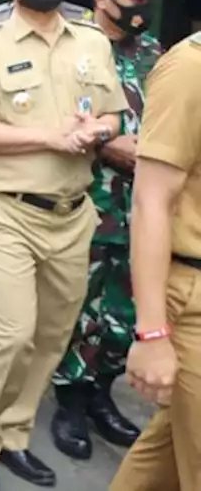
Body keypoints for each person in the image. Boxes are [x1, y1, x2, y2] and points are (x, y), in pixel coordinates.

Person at [0, 0, 128, 491]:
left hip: (72, 213)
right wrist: (52, 137)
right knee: (10, 333)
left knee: (52, 334)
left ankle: (14, 434)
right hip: (7, 210)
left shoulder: (92, 41)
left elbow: (114, 116)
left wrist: (92, 131)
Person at [50, 0, 166, 459]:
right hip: (87, 198)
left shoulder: (154, 54)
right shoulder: (68, 46)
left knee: (126, 306)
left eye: (148, 0)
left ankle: (101, 395)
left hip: (141, 204)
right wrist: (104, 146)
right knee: (79, 305)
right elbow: (49, 118)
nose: (141, 9)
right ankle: (69, 399)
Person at [109, 27, 201, 491]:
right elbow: (151, 202)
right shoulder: (191, 67)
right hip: (194, 302)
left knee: (163, 460)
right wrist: (152, 333)